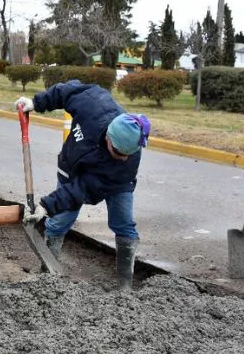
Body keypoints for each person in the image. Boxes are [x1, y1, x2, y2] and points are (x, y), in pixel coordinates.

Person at [18, 80, 150, 290]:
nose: (124, 158)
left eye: (128, 154)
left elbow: (83, 189)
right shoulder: (93, 103)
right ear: (108, 137)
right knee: (59, 222)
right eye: (118, 153)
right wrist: (37, 103)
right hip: (71, 168)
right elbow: (67, 91)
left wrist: (46, 205)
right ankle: (47, 274)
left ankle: (125, 285)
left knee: (123, 223)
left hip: (116, 183)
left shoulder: (125, 164)